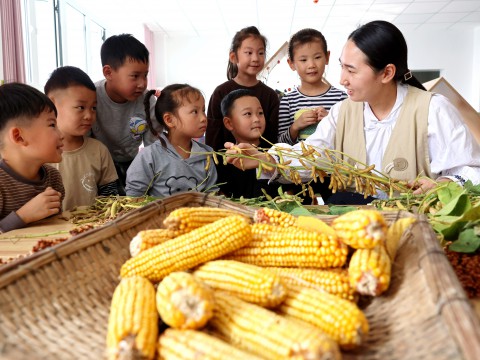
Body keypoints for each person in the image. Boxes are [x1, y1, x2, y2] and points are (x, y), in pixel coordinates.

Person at [224, 20, 480, 204]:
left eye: (352, 70)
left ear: (387, 73)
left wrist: (444, 184)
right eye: (341, 67)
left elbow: (470, 170)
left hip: (413, 227)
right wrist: (267, 160)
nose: (342, 79)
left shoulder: (432, 109)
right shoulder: (343, 113)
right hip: (357, 223)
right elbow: (311, 155)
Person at [91, 33, 157, 195]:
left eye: (145, 75)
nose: (142, 84)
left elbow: (153, 147)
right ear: (108, 72)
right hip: (97, 164)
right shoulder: (91, 97)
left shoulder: (147, 101)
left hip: (132, 163)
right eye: (134, 76)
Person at [44, 66, 118, 210]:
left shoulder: (99, 150)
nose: (89, 115)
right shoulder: (40, 154)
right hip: (53, 230)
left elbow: (110, 196)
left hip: (92, 228)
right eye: (80, 107)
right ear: (52, 105)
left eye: (93, 108)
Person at [125, 84, 218, 197]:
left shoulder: (206, 156)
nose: (204, 118)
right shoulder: (150, 156)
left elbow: (212, 194)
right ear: (169, 120)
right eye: (195, 112)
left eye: (203, 110)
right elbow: (134, 196)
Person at [0, 83, 65, 233]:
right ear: (19, 136)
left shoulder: (53, 178)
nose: (61, 134)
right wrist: (22, 216)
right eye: (52, 125)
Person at [206, 26, 279, 151]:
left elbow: (273, 138)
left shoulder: (270, 95)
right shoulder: (220, 93)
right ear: (234, 57)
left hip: (262, 165)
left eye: (261, 53)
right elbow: (212, 138)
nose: (255, 58)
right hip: (227, 165)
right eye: (249, 53)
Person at [278, 28, 347, 145]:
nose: (311, 65)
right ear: (291, 64)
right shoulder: (288, 102)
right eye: (303, 60)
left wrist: (330, 121)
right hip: (297, 163)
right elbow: (280, 144)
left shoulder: (341, 98)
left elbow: (349, 139)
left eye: (317, 57)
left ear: (327, 57)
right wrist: (295, 127)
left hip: (332, 163)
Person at [217, 89, 279, 198]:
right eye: (248, 114)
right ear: (229, 123)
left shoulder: (275, 153)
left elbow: (290, 190)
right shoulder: (225, 160)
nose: (256, 119)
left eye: (260, 113)